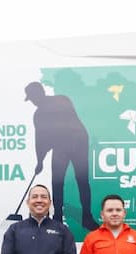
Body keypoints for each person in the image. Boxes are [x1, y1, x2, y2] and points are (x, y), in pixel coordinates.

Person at [24, 81, 98, 231]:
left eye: (33, 98)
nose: (33, 101)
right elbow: (40, 139)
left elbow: (63, 127)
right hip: (60, 147)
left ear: (40, 93)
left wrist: (47, 148)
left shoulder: (61, 100)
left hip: (78, 143)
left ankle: (87, 218)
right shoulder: (38, 115)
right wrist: (40, 161)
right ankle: (57, 218)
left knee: (82, 181)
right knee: (57, 182)